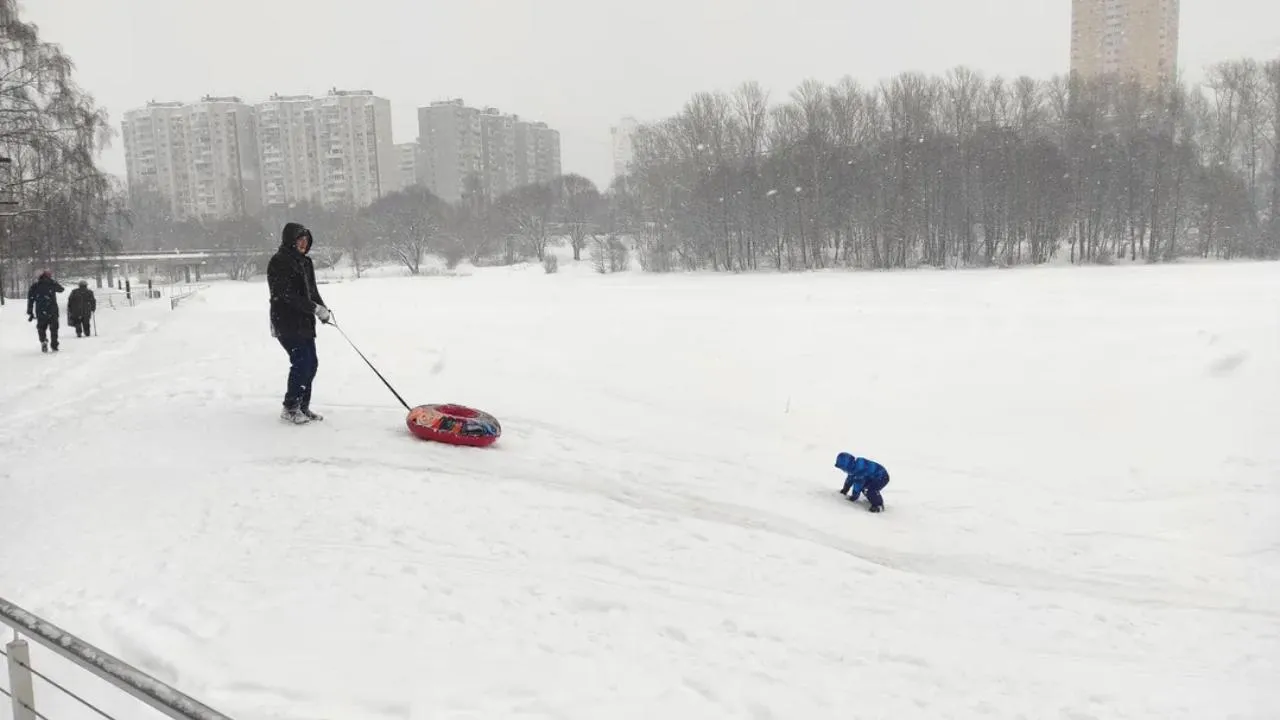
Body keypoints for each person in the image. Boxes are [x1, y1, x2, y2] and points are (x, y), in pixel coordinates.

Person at [267, 222, 332, 424]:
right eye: (300, 240)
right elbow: (286, 294)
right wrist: (313, 308)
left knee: (311, 363)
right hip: (285, 321)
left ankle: (302, 407)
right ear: (290, 241)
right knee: (301, 362)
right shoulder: (279, 261)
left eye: (306, 240)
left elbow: (311, 291)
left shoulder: (305, 262)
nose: (303, 244)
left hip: (305, 321)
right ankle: (290, 407)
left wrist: (323, 309)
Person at [26, 270, 65, 353]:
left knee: (41, 328)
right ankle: (54, 345)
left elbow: (30, 299)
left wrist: (30, 311)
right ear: (49, 276)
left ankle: (43, 341)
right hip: (52, 310)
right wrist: (53, 282)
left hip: (41, 310)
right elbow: (61, 289)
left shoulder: (35, 286)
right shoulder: (52, 284)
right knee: (54, 328)